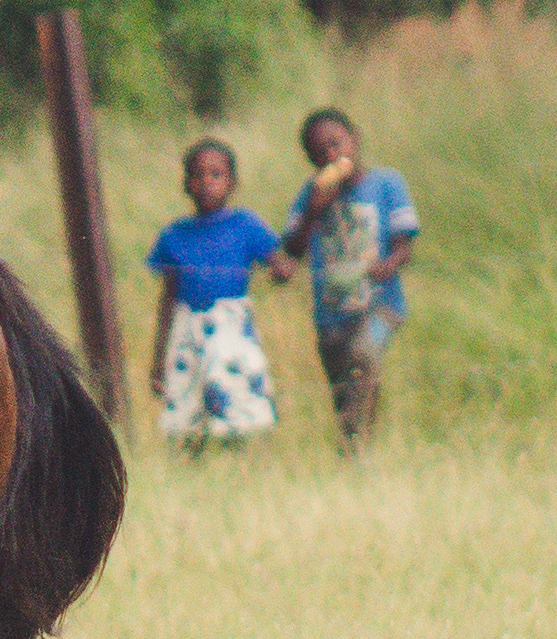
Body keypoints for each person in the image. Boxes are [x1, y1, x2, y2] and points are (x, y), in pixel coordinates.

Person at [273, 106, 418, 448]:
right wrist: (313, 211)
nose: (332, 155)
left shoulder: (386, 183)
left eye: (337, 143)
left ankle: (353, 445)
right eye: (320, 152)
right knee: (343, 384)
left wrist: (390, 263)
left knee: (364, 356)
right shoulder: (311, 195)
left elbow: (405, 243)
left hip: (381, 304)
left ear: (355, 139)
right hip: (332, 313)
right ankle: (357, 444)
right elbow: (292, 250)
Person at [144, 138, 279, 448]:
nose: (207, 183)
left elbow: (279, 264)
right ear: (186, 184)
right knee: (187, 409)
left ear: (232, 182)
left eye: (216, 175)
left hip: (230, 328)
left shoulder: (246, 225)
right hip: (186, 330)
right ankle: (194, 465)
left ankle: (240, 464)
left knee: (237, 404)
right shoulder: (173, 236)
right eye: (198, 175)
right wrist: (158, 359)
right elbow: (167, 300)